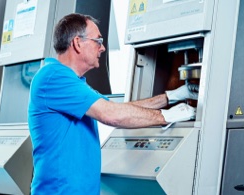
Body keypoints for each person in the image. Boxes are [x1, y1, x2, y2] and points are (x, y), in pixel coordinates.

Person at [28, 13, 197, 195]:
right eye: (98, 41)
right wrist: (167, 116)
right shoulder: (53, 77)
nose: (102, 48)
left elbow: (122, 109)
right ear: (77, 43)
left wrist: (171, 96)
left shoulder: (73, 82)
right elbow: (111, 115)